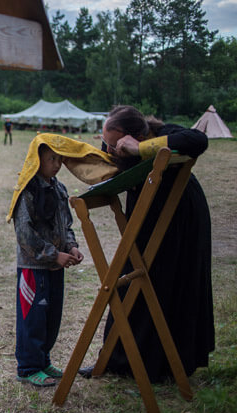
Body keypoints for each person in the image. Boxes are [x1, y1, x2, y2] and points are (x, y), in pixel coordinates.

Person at [79, 105, 214, 383]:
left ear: (136, 136)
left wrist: (139, 150)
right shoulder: (119, 147)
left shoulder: (165, 133)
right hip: (150, 215)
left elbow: (198, 140)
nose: (111, 148)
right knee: (133, 281)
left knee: (170, 282)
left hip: (180, 217)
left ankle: (163, 363)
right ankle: (120, 359)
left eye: (115, 143)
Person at [12, 143, 83, 387]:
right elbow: (24, 234)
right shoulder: (27, 191)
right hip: (34, 268)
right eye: (51, 159)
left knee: (51, 318)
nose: (57, 164)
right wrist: (54, 254)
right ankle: (28, 367)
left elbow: (67, 224)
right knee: (32, 319)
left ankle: (43, 361)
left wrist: (71, 247)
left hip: (56, 267)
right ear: (36, 160)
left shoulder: (60, 189)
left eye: (60, 159)